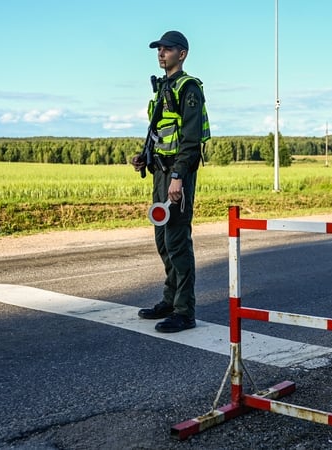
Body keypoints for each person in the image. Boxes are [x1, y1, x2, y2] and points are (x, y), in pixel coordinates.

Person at [131, 30, 210, 333]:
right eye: (159, 49)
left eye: (167, 49)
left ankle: (184, 311)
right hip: (161, 172)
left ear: (182, 54)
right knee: (163, 240)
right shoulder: (164, 87)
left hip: (178, 175)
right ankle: (169, 299)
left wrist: (177, 177)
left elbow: (190, 141)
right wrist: (144, 157)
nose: (161, 53)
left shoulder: (188, 88)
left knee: (177, 241)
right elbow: (161, 132)